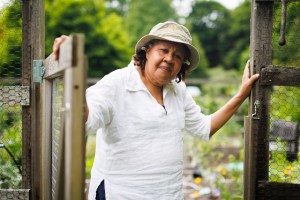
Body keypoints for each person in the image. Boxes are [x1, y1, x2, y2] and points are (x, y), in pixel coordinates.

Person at [52, 21, 259, 200]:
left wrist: (241, 94)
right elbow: (87, 119)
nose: (170, 58)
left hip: (168, 194)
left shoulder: (178, 90)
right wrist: (73, 75)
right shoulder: (116, 83)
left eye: (177, 55)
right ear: (147, 50)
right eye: (164, 50)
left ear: (182, 65)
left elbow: (204, 127)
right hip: (121, 194)